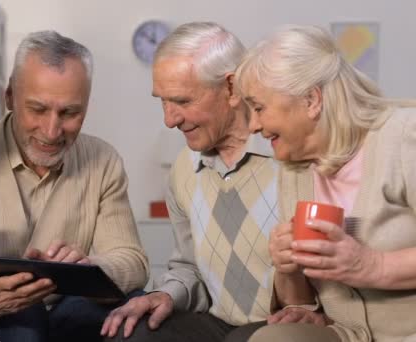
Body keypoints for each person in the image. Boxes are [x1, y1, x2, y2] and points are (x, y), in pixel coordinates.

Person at [0, 30, 149, 342]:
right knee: (27, 321)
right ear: (9, 96)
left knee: (137, 311)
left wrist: (90, 267)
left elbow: (132, 261)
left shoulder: (102, 160)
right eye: (38, 109)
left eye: (69, 112)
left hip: (69, 310)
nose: (52, 131)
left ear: (86, 105)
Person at [101, 22, 326, 342]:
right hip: (215, 322)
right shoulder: (183, 170)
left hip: (282, 323)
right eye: (162, 101)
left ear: (232, 88)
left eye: (182, 101)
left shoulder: (291, 155)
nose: (169, 119)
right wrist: (164, 295)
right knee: (129, 333)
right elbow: (188, 267)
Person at [235, 25, 416, 342]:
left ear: (311, 100)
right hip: (349, 334)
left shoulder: (405, 136)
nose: (254, 126)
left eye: (258, 108)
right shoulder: (293, 168)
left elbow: (366, 266)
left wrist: (375, 266)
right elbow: (299, 301)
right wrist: (286, 268)